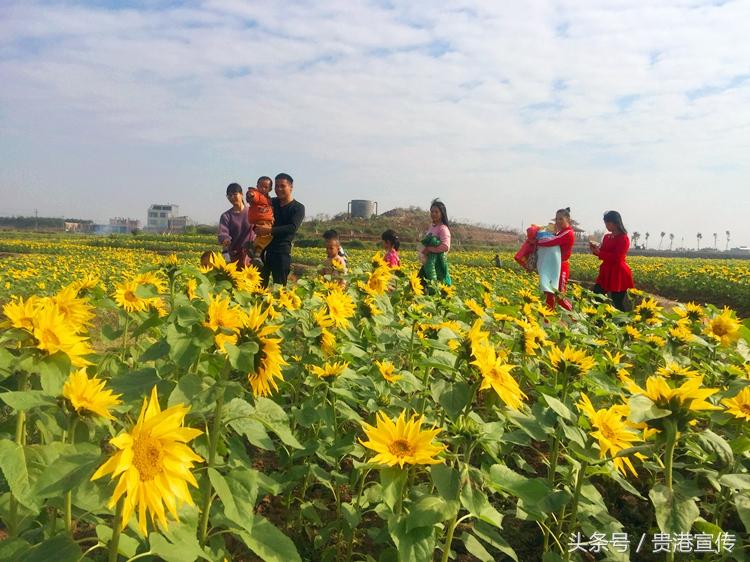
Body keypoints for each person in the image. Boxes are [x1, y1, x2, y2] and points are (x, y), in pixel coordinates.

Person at [255, 173, 305, 286]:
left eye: (282, 186)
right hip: (263, 251)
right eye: (277, 186)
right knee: (258, 287)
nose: (279, 189)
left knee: (279, 289)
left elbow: (292, 228)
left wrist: (268, 230)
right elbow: (257, 213)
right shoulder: (271, 202)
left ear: (291, 187)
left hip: (281, 253)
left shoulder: (298, 208)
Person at [590, 210, 634, 311]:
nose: (606, 225)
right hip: (606, 271)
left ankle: (623, 323)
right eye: (605, 223)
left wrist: (599, 253)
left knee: (617, 301)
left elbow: (617, 258)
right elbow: (604, 252)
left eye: (608, 223)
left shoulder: (623, 239)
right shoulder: (607, 237)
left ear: (615, 223)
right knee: (596, 296)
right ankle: (598, 320)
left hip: (618, 273)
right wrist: (595, 250)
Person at [535, 207, 575, 310]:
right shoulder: (559, 232)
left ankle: (575, 318)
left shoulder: (568, 233)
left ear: (568, 220)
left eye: (561, 219)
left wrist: (537, 241)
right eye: (557, 219)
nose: (558, 221)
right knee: (549, 292)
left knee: (559, 296)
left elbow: (551, 242)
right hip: (553, 266)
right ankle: (548, 320)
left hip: (562, 267)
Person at [218, 183, 253, 269]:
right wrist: (225, 240)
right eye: (229, 195)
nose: (232, 197)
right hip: (234, 256)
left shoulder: (252, 212)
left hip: (251, 256)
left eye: (235, 194)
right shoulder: (226, 216)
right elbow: (223, 233)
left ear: (241, 194)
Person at [419, 199, 451, 286]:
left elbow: (445, 246)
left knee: (435, 286)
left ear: (442, 213)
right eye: (432, 211)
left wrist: (429, 249)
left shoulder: (443, 228)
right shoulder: (432, 227)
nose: (433, 214)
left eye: (436, 212)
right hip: (428, 262)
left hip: (437, 265)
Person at [246, 176, 275, 267]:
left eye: (266, 187)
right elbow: (253, 197)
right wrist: (251, 194)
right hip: (261, 219)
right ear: (257, 186)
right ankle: (255, 251)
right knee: (268, 235)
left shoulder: (269, 199)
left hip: (265, 220)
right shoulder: (258, 194)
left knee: (262, 236)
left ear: (270, 189)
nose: (263, 189)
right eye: (260, 186)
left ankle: (255, 251)